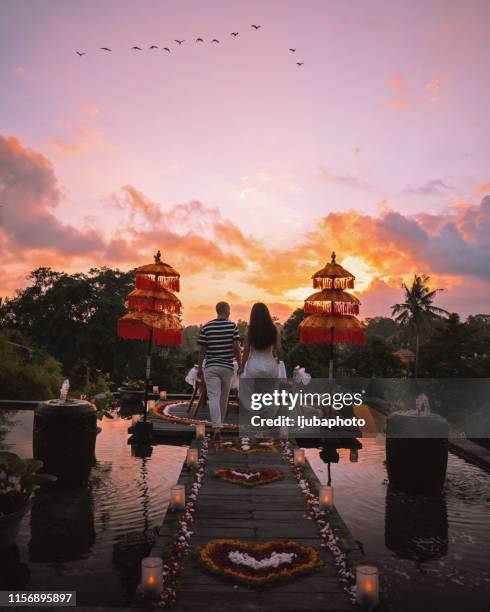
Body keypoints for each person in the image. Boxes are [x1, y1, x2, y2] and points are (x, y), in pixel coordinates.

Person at [197, 302, 242, 440]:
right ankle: (218, 425)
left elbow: (202, 351)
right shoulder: (232, 326)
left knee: (214, 397)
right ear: (227, 311)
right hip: (227, 367)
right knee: (223, 398)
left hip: (211, 367)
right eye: (229, 310)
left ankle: (217, 427)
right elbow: (236, 346)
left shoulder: (207, 327)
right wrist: (240, 363)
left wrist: (199, 368)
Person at [239, 303, 281, 378]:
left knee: (253, 390)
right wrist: (278, 358)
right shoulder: (274, 329)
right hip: (270, 366)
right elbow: (279, 348)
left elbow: (246, 350)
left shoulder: (249, 330)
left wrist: (242, 367)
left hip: (254, 366)